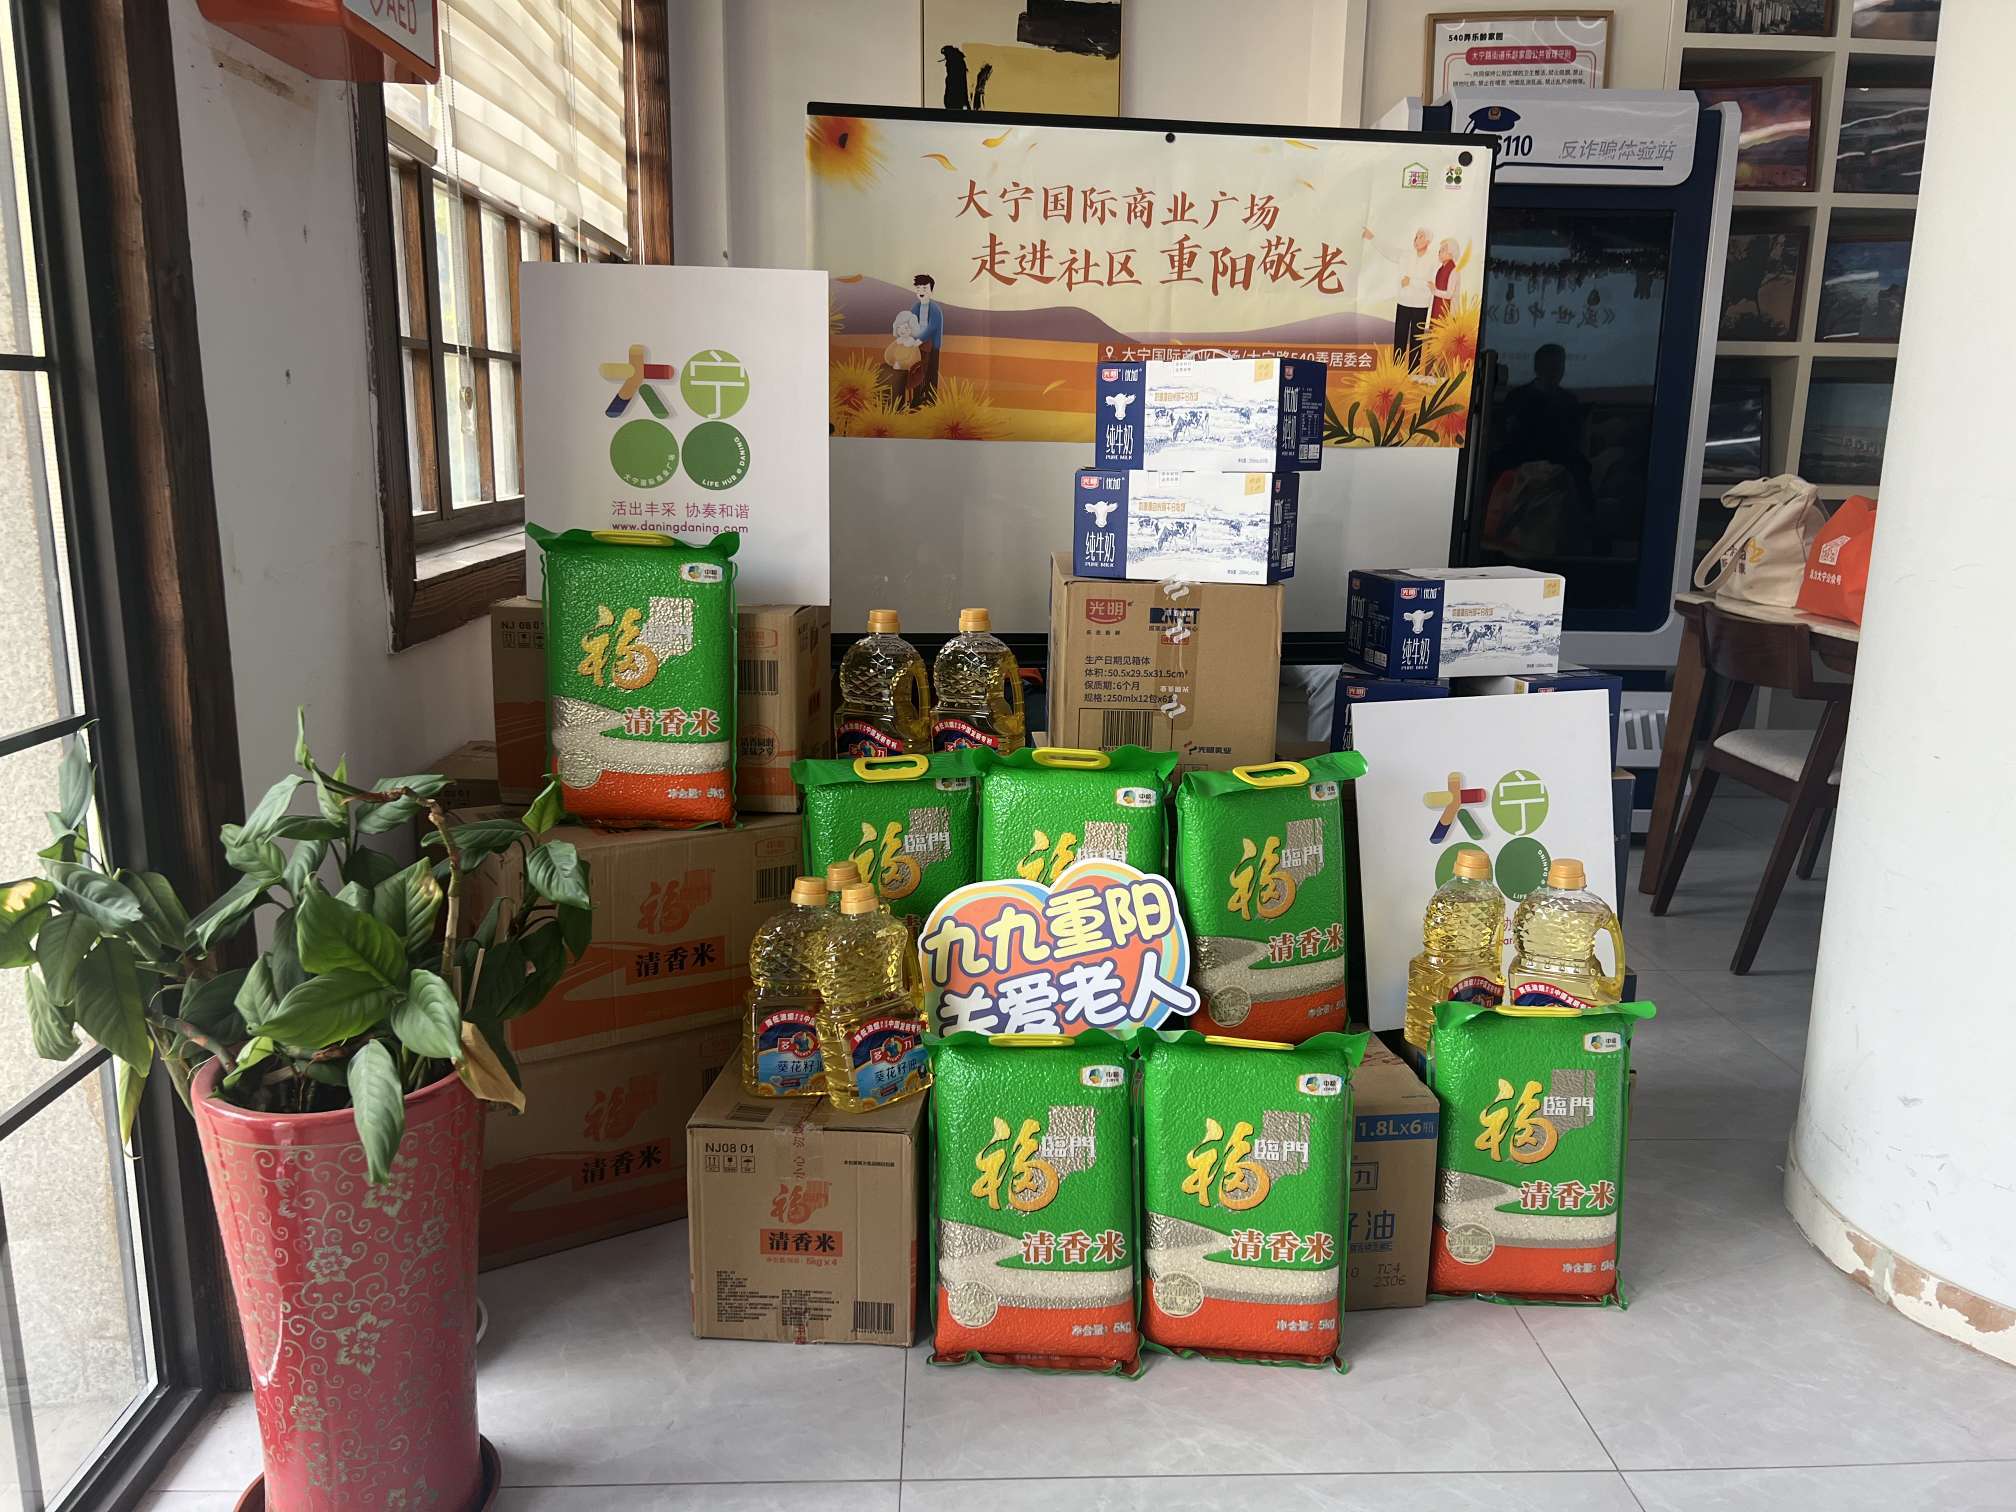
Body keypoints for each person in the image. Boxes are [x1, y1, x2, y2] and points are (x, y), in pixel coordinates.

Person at [1363, 225, 1436, 371]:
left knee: (1417, 339)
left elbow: (1431, 285)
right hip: (1404, 302)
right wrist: (1373, 238)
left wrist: (1411, 281)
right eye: (1416, 236)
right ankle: (1396, 370)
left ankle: (1413, 372)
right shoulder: (1406, 255)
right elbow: (1389, 251)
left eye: (1421, 236)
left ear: (1428, 241)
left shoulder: (1434, 259)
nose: (1416, 240)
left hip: (1421, 305)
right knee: (1400, 337)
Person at [909, 274, 945, 406]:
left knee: (931, 372)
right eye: (918, 288)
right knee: (917, 371)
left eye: (924, 288)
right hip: (917, 346)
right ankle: (916, 399)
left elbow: (932, 327)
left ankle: (930, 400)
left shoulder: (935, 309)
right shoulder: (915, 307)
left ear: (931, 291)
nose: (921, 291)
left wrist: (920, 339)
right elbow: (910, 322)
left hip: (932, 346)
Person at [1430, 238, 1461, 326]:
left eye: (1443, 250)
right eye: (1440, 250)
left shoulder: (1454, 270)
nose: (1439, 252)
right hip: (1438, 306)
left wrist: (1434, 290)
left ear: (1451, 253)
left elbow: (1449, 294)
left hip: (1448, 311)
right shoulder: (1441, 269)